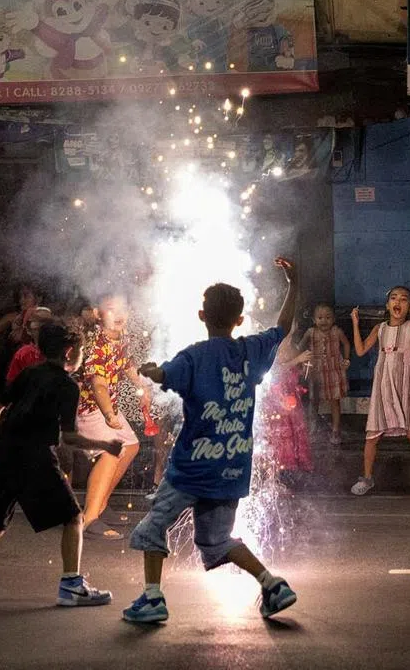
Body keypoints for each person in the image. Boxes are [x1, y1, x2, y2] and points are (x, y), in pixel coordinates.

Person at [123, 258, 298, 624]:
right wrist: (293, 284)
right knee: (218, 540)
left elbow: (164, 374)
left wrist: (152, 370)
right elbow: (282, 327)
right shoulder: (250, 350)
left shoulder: (193, 356)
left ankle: (153, 598)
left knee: (154, 526)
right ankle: (272, 583)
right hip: (231, 470)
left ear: (202, 315)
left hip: (190, 470)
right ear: (239, 320)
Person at [0, 323, 122, 605]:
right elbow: (69, 437)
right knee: (73, 517)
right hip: (37, 458)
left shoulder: (29, 373)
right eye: (81, 350)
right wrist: (105, 445)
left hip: (9, 453)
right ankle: (71, 585)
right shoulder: (67, 385)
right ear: (70, 352)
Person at [348, 287, 410, 498]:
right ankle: (367, 478)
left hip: (407, 384)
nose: (398, 302)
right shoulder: (379, 328)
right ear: (388, 305)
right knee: (372, 434)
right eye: (393, 298)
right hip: (384, 384)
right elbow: (361, 350)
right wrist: (355, 324)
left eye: (403, 299)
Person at [76, 294, 148, 539]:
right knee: (111, 451)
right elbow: (98, 385)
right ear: (97, 314)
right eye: (110, 309)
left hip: (108, 408)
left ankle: (100, 505)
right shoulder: (97, 343)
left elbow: (126, 364)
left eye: (123, 308)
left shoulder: (119, 338)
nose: (118, 315)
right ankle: (88, 519)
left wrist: (144, 387)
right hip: (89, 409)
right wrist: (108, 414)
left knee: (131, 446)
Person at [260, 330, 314, 478]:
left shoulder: (294, 347)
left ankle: (295, 464)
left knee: (295, 428)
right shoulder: (274, 347)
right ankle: (281, 466)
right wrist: (297, 360)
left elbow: (296, 369)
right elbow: (275, 369)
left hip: (291, 393)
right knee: (282, 430)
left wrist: (304, 367)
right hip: (279, 395)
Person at [298, 303, 349, 445]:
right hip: (316, 371)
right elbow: (300, 347)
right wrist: (300, 360)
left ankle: (335, 430)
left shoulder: (337, 331)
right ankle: (312, 429)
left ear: (333, 319)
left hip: (333, 370)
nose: (324, 321)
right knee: (314, 400)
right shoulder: (310, 332)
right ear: (314, 320)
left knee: (335, 401)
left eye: (328, 317)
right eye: (320, 318)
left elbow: (346, 344)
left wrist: (346, 359)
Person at [3, 307, 53, 385]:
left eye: (47, 323)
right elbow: (11, 383)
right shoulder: (24, 354)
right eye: (39, 324)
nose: (45, 328)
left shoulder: (57, 350)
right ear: (29, 330)